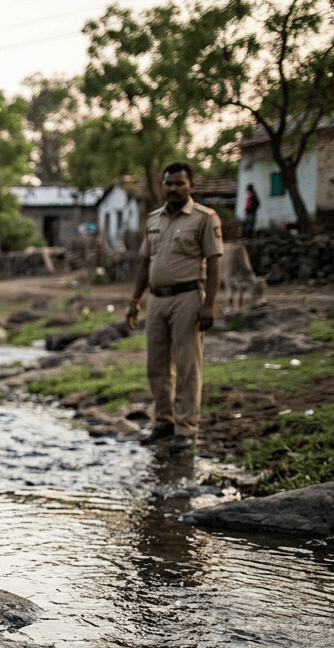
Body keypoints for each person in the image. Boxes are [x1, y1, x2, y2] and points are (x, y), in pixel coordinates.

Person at [126, 162, 224, 454]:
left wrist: (209, 306)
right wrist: (134, 301)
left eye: (179, 183)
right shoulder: (154, 219)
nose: (172, 188)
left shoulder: (205, 218)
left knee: (186, 366)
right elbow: (146, 262)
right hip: (156, 300)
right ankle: (164, 422)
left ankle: (185, 428)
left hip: (188, 298)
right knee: (156, 366)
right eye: (168, 183)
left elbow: (216, 262)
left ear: (191, 186)